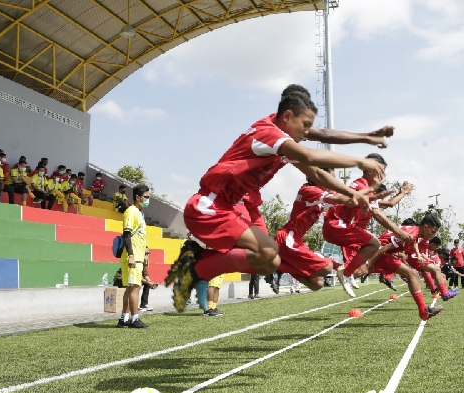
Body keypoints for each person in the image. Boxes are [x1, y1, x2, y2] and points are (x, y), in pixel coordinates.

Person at [165, 87, 387, 312]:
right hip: (211, 204)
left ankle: (206, 262)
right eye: (305, 125)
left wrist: (365, 140)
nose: (308, 133)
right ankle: (199, 265)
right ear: (288, 116)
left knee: (270, 262)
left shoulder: (284, 135)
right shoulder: (268, 133)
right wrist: (360, 162)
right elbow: (310, 156)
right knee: (270, 253)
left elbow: (319, 169)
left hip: (233, 206)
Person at [322, 154, 412, 297]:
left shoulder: (367, 190)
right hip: (338, 226)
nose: (384, 175)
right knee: (374, 244)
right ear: (370, 170)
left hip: (341, 228)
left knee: (369, 250)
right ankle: (346, 273)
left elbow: (389, 204)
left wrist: (403, 193)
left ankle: (346, 272)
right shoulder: (361, 186)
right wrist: (398, 231)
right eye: (381, 170)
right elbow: (377, 213)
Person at [274, 167, 364, 293]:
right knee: (326, 267)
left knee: (317, 284)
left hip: (296, 240)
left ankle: (281, 267)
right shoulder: (310, 190)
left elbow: (344, 200)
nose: (333, 183)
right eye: (330, 179)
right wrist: (366, 195)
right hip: (288, 238)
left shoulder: (321, 193)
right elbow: (343, 199)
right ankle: (279, 267)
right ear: (318, 178)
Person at [362, 214, 452, 321]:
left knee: (412, 274)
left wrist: (418, 254)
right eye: (433, 231)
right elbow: (385, 247)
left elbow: (413, 243)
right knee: (412, 274)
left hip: (387, 253)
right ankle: (424, 312)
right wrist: (368, 265)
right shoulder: (410, 234)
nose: (433, 235)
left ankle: (424, 311)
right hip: (381, 252)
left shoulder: (415, 232)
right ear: (426, 227)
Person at [116, 184, 151, 329]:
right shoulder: (131, 211)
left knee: (130, 288)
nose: (148, 200)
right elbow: (127, 234)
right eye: (146, 197)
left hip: (138, 256)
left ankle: (124, 319)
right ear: (138, 197)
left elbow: (140, 236)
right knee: (135, 287)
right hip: (133, 256)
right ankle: (135, 318)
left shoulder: (139, 213)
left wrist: (145, 252)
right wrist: (131, 255)